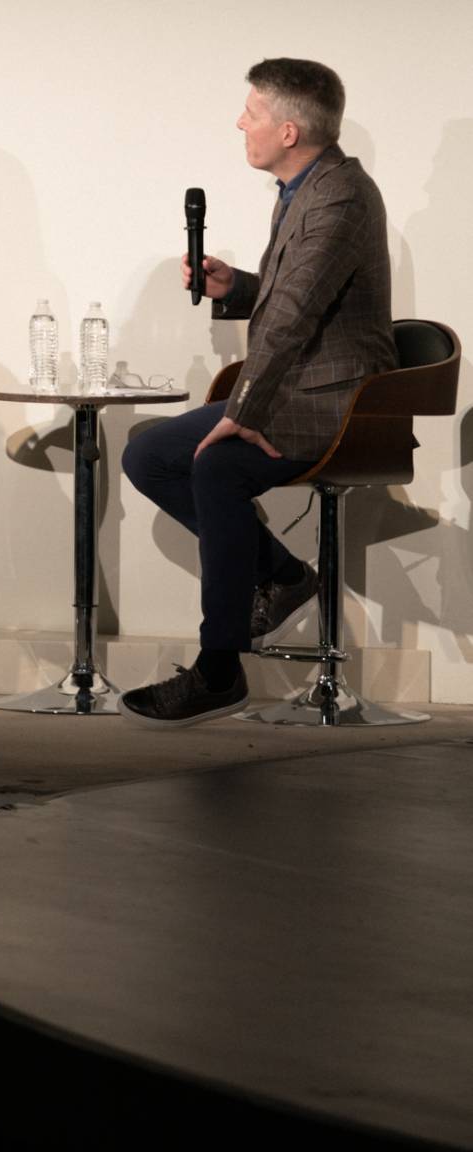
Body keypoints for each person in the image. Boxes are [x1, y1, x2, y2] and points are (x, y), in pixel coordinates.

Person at [119, 57, 396, 727]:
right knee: (148, 453)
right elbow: (291, 295)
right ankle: (283, 573)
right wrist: (236, 286)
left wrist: (242, 412)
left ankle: (219, 669)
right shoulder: (303, 187)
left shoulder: (339, 196)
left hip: (339, 403)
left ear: (291, 130)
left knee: (216, 463)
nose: (241, 121)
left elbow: (298, 313)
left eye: (254, 112)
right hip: (296, 389)